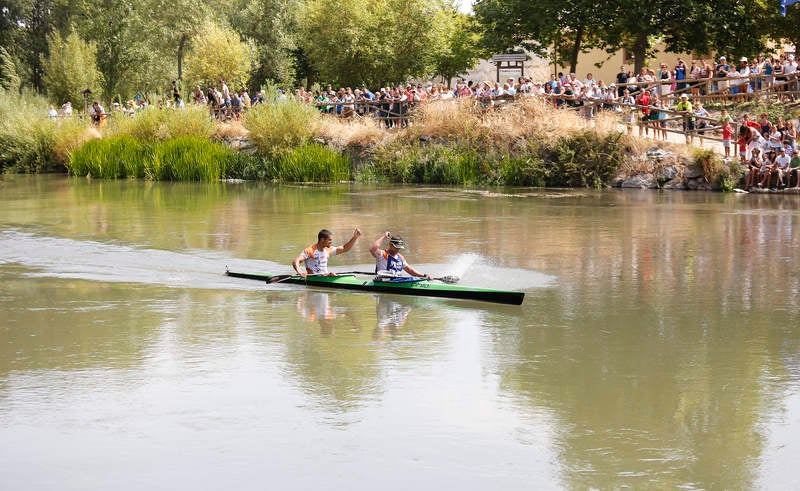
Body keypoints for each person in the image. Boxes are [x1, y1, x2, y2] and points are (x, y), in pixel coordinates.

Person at [292, 228, 362, 278]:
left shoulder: (328, 250)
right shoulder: (310, 250)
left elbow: (345, 248)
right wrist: (300, 272)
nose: (331, 242)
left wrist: (355, 237)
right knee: (331, 274)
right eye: (329, 240)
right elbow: (296, 261)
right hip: (314, 278)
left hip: (325, 276)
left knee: (332, 274)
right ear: (322, 240)